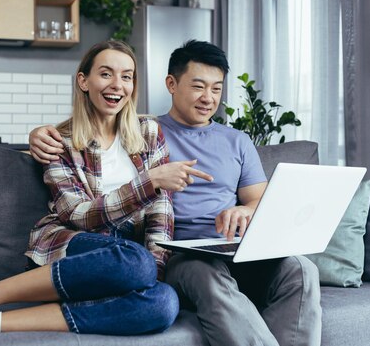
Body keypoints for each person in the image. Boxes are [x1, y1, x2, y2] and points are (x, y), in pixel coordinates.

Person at [0, 40, 214, 340]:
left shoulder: (149, 132)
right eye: (106, 73)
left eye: (127, 77)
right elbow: (77, 215)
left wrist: (155, 270)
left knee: (164, 303)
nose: (118, 85)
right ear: (84, 80)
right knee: (135, 261)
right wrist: (149, 182)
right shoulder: (58, 140)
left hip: (126, 260)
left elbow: (161, 212)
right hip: (74, 243)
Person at [29, 40, 323, 346]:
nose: (208, 98)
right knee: (208, 277)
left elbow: (260, 199)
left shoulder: (237, 141)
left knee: (301, 270)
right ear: (171, 83)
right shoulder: (143, 132)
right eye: (198, 86)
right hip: (182, 255)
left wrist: (245, 210)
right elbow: (95, 130)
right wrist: (37, 136)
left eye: (216, 89)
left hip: (233, 247)